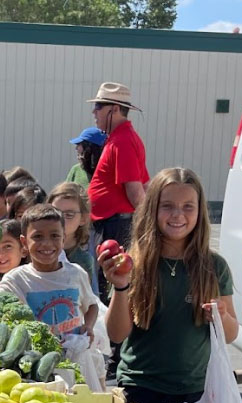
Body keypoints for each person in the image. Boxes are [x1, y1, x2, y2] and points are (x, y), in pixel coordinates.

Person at [101, 168, 236, 403]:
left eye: (188, 206)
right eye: (167, 206)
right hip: (139, 389)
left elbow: (230, 333)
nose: (177, 215)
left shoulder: (214, 266)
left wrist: (220, 316)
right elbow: (116, 334)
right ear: (152, 209)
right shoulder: (133, 263)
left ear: (200, 211)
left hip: (196, 392)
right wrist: (121, 286)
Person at [87, 82, 150, 302]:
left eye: (98, 106)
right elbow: (144, 185)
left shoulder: (122, 141)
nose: (94, 112)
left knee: (106, 285)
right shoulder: (123, 138)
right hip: (113, 224)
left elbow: (135, 191)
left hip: (114, 226)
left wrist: (147, 226)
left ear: (113, 109)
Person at [0, 205, 97, 339]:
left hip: (74, 355)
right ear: (24, 242)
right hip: (34, 358)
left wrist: (88, 326)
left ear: (63, 239)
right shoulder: (15, 280)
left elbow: (91, 305)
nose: (47, 243)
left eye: (55, 236)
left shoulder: (76, 273)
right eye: (38, 236)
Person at [49, 182, 97, 296]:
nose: (60, 219)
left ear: (83, 218)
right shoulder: (36, 249)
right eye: (55, 212)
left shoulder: (83, 260)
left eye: (69, 215)